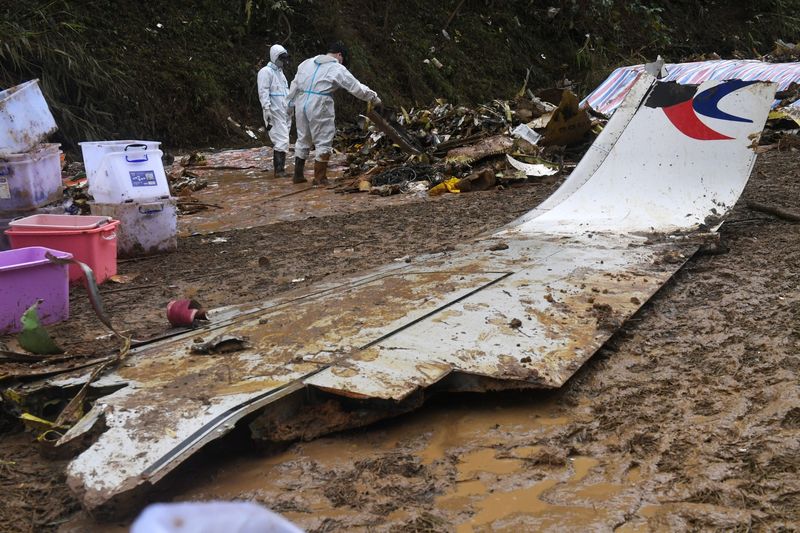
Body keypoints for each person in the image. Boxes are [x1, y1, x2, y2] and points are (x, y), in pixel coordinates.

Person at [287, 42, 381, 185]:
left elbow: (294, 84)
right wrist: (373, 97)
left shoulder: (306, 63)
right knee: (324, 139)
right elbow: (355, 87)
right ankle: (320, 178)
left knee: (303, 138)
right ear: (339, 55)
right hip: (320, 102)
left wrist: (289, 104)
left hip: (301, 102)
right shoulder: (336, 68)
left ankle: (298, 175)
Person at [257, 44, 291, 178]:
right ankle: (279, 171)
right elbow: (263, 91)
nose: (283, 62)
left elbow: (286, 92)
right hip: (273, 111)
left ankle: (280, 169)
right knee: (281, 140)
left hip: (283, 112)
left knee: (283, 140)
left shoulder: (280, 74)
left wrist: (290, 108)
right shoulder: (266, 72)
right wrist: (266, 109)